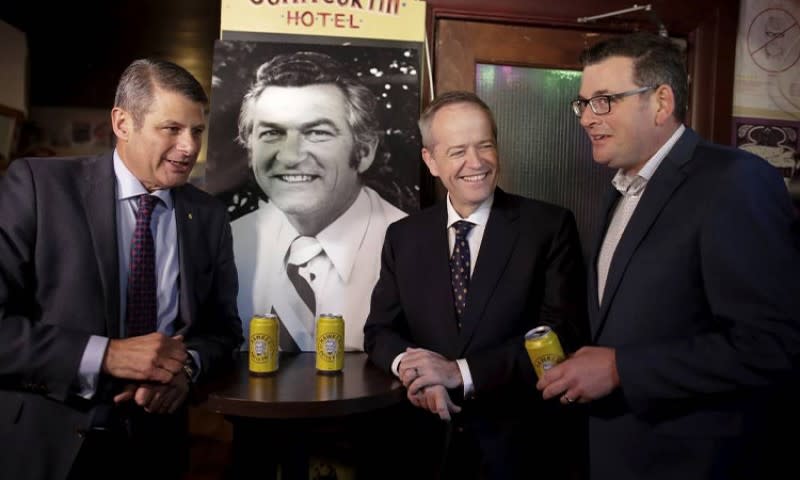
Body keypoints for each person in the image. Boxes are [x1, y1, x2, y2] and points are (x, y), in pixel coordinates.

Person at [536, 32, 800, 480]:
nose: (586, 118)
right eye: (583, 104)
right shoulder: (618, 190)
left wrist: (621, 368)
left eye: (604, 101)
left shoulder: (735, 182)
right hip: (619, 455)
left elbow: (773, 345)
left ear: (661, 102)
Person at [0, 59, 243, 480]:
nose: (190, 147)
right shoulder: (38, 187)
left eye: (197, 131)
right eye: (172, 129)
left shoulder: (208, 217)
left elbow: (223, 331)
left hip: (156, 446)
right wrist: (109, 354)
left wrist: (183, 369)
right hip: (48, 446)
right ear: (122, 122)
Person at [363, 91, 587, 479]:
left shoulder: (548, 228)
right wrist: (416, 372)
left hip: (519, 448)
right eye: (457, 151)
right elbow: (380, 331)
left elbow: (562, 333)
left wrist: (459, 372)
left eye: (485, 146)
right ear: (430, 161)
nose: (476, 162)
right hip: (425, 447)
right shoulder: (403, 236)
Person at [232, 51, 406, 352]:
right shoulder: (229, 242)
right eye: (272, 133)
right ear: (250, 151)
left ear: (363, 152)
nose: (290, 156)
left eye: (317, 133)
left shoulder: (413, 247)